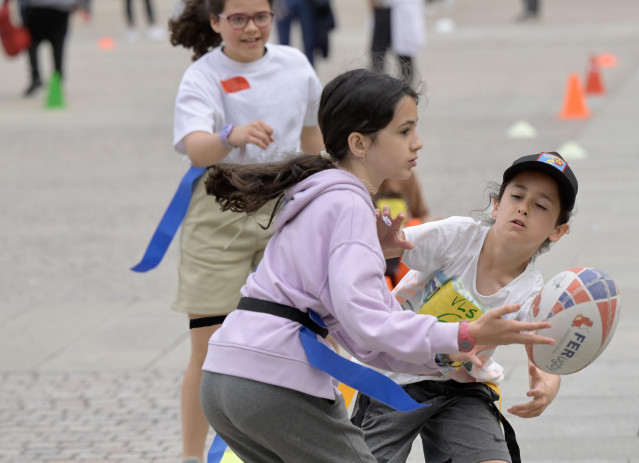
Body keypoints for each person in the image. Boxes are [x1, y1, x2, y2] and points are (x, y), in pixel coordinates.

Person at [199, 69, 557, 462]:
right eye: (404, 131)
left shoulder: (322, 194)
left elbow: (364, 335)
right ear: (359, 143)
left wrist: (441, 351)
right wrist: (465, 333)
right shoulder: (350, 205)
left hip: (224, 376)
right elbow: (370, 324)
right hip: (273, 379)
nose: (417, 142)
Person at [167, 0, 324, 461]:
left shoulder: (295, 64)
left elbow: (313, 137)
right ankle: (192, 457)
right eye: (237, 18)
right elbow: (196, 149)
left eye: (261, 16)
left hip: (285, 211)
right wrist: (229, 136)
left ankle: (295, 447)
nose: (251, 27)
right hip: (220, 214)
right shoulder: (202, 75)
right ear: (215, 22)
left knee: (301, 337)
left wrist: (335, 191)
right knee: (209, 347)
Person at [351, 151, 578, 463]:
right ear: (497, 205)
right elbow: (396, 243)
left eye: (540, 205)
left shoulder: (532, 292)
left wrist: (547, 386)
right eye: (517, 195)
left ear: (557, 230)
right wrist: (384, 238)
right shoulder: (458, 236)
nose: (524, 208)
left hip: (461, 389)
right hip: (393, 375)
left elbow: (544, 350)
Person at [20, 0, 89, 97]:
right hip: (61, 7)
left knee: (32, 43)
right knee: (58, 45)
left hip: (36, 7)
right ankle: (57, 78)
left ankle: (36, 77)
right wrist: (84, 6)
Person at [368, 0, 424, 85]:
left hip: (405, 9)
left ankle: (406, 89)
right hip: (384, 8)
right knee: (378, 52)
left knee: (405, 53)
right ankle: (376, 87)